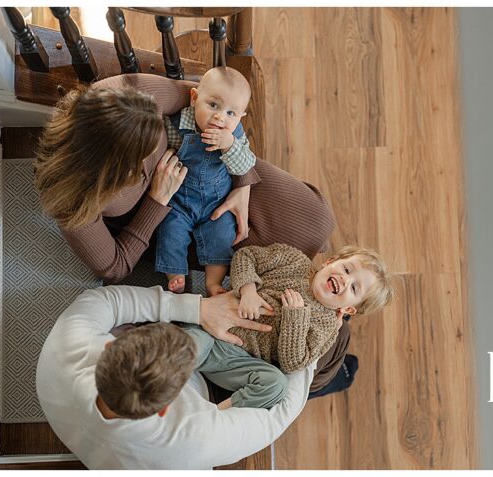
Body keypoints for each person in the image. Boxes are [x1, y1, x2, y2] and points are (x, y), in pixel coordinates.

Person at [34, 73, 348, 395]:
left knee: (316, 222)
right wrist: (157, 200)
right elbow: (113, 266)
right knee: (312, 350)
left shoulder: (126, 98)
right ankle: (329, 373)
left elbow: (205, 95)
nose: (154, 155)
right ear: (114, 178)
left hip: (213, 166)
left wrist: (243, 184)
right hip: (170, 211)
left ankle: (327, 313)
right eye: (141, 169)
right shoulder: (72, 201)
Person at [36, 285, 314, 469]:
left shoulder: (68, 340)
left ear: (112, 345)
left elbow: (105, 299)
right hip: (184, 441)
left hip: (89, 433)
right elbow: (277, 419)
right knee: (328, 366)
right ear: (167, 407)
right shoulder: (196, 437)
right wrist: (308, 355)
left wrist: (200, 309)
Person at [183, 243, 394, 410]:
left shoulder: (328, 328)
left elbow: (292, 364)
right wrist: (248, 291)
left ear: (348, 310)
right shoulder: (294, 261)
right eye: (346, 269)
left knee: (276, 386)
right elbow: (247, 256)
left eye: (354, 288)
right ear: (330, 261)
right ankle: (170, 357)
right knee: (193, 343)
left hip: (236, 359)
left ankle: (218, 414)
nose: (345, 279)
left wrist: (295, 317)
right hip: (211, 328)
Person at [155, 67, 255, 296]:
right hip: (180, 198)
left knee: (221, 237)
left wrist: (229, 144)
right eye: (213, 106)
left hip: (216, 202)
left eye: (232, 113)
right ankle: (175, 274)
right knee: (170, 230)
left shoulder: (236, 135)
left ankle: (213, 283)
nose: (220, 117)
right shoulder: (177, 125)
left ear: (241, 117)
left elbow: (245, 166)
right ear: (194, 98)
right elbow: (163, 146)